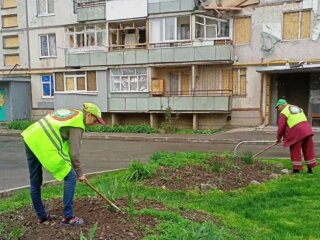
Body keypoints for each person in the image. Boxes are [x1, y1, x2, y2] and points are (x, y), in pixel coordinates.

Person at [21, 103, 105, 225]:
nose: (95, 123)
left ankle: (42, 217)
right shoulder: (77, 124)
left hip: (31, 137)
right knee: (71, 176)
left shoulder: (74, 113)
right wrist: (80, 173)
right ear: (88, 114)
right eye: (95, 120)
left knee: (35, 180)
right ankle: (68, 217)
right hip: (43, 142)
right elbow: (74, 153)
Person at [275, 99, 317, 173]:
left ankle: (296, 169)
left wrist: (278, 138)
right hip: (307, 129)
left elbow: (281, 127)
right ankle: (310, 169)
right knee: (308, 149)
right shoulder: (297, 108)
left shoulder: (284, 112)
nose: (278, 109)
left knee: (295, 149)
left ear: (282, 105)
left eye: (278, 107)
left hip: (297, 131)